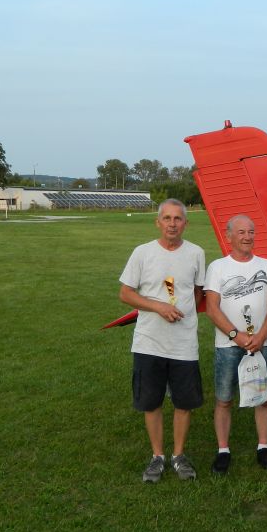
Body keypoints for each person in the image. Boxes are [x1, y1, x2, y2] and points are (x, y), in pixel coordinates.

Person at [118, 198, 205, 483]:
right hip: (149, 342)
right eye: (167, 218)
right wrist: (158, 307)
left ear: (185, 223)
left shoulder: (196, 253)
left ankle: (178, 456)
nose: (172, 224)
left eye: (177, 218)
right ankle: (157, 456)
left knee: (184, 403)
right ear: (158, 222)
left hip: (183, 343)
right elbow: (125, 293)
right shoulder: (142, 253)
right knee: (151, 402)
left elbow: (198, 292)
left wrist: (182, 313)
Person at [204, 214, 267, 474]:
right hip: (228, 345)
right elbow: (212, 308)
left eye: (251, 232)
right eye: (241, 232)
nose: (247, 237)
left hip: (261, 344)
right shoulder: (218, 267)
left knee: (263, 398)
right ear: (229, 236)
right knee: (224, 399)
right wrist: (235, 335)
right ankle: (223, 450)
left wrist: (261, 337)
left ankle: (263, 447)